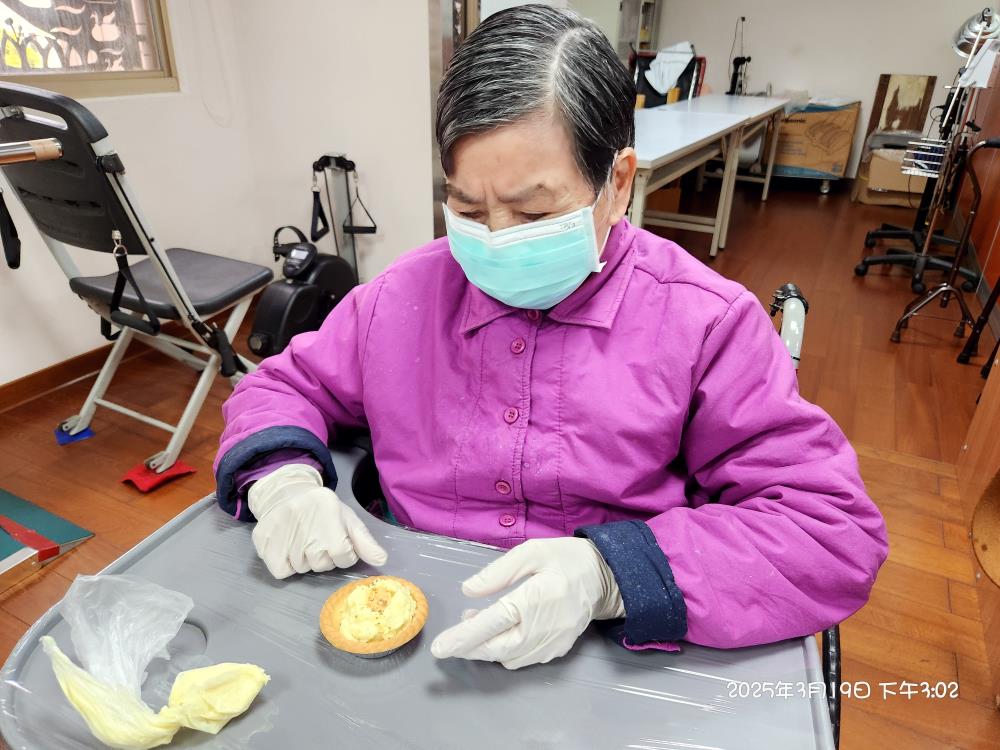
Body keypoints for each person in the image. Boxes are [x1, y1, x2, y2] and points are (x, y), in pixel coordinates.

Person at [214, 5, 887, 670]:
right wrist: (284, 482)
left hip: (610, 650)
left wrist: (611, 574)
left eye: (533, 212)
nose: (496, 239)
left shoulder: (706, 323)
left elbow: (828, 533)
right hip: (409, 628)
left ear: (617, 183)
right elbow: (284, 386)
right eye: (469, 209)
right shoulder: (403, 295)